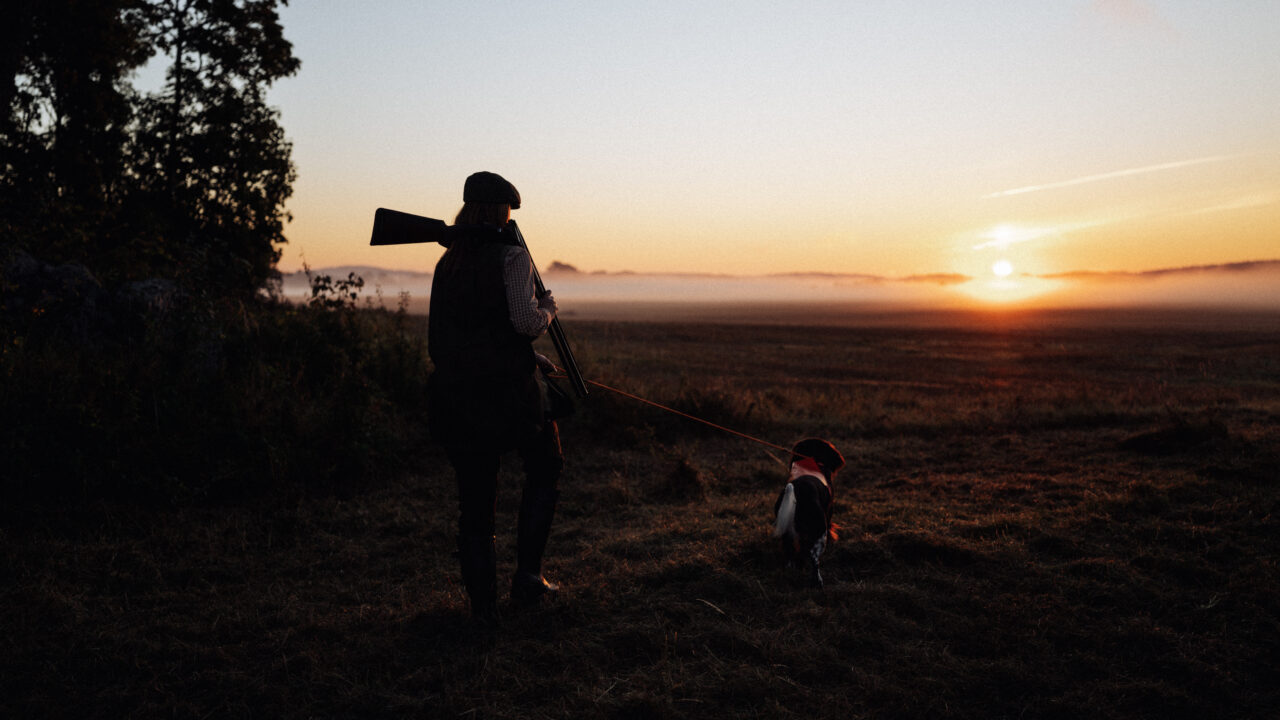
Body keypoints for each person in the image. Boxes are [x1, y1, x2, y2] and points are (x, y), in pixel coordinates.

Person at [427, 171, 563, 624]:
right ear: (501, 212)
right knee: (546, 464)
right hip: (507, 397)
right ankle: (528, 578)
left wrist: (533, 359)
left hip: (458, 395)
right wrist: (548, 309)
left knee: (476, 502)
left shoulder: (449, 263)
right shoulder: (513, 256)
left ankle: (482, 611)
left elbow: (469, 333)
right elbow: (523, 322)